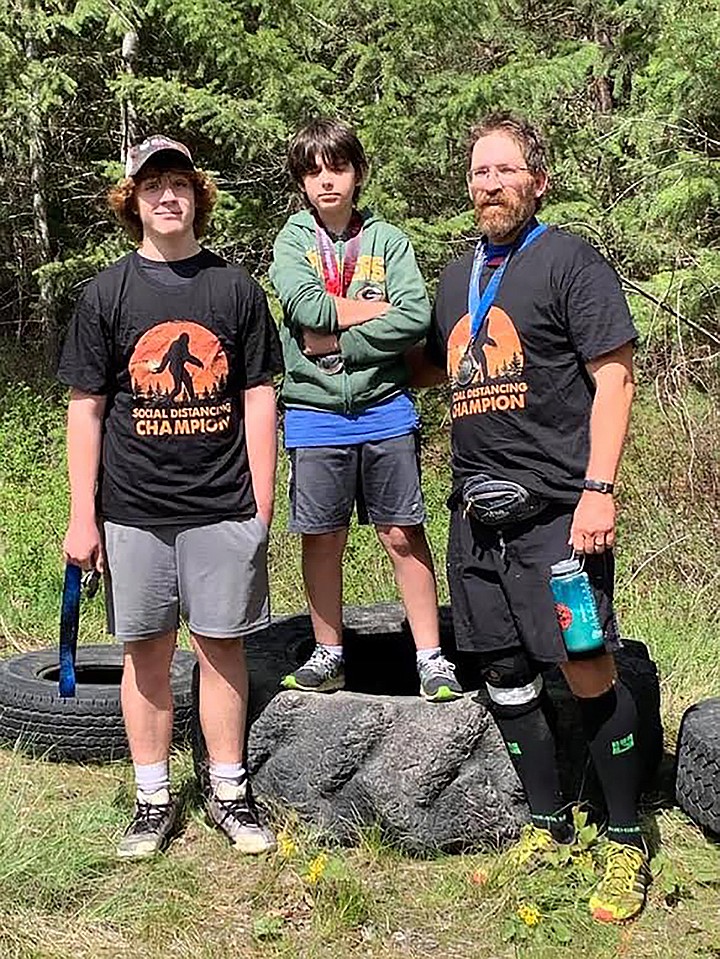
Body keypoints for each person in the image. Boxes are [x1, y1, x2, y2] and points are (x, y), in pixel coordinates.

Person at [412, 112, 650, 922]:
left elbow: (613, 378)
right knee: (506, 675)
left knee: (584, 660)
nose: (490, 184)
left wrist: (599, 489)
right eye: (479, 172)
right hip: (476, 521)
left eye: (506, 170)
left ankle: (624, 841)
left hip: (559, 515)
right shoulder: (454, 278)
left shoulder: (570, 260)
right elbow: (417, 367)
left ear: (537, 181)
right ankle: (547, 825)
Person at [58, 134, 283, 859]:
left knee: (222, 652)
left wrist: (262, 505)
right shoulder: (107, 293)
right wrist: (80, 514)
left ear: (196, 196)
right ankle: (152, 797)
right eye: (152, 184)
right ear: (134, 201)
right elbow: (86, 406)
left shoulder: (235, 289)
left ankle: (228, 789)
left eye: (179, 183)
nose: (166, 195)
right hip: (133, 512)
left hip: (223, 506)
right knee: (146, 655)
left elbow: (257, 396)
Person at [269, 118, 461, 703]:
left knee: (402, 533)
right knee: (321, 537)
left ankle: (431, 657)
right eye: (313, 171)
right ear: (302, 181)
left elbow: (415, 318)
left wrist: (335, 338)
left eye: (338, 168)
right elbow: (302, 304)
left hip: (384, 407)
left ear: (357, 174)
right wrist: (362, 315)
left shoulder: (388, 241)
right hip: (314, 411)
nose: (326, 181)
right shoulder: (292, 240)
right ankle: (330, 652)